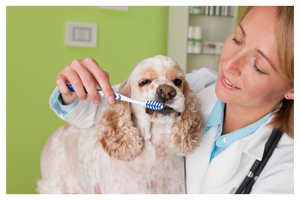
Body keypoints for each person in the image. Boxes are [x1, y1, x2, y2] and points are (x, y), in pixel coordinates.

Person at [50, 4, 295, 195]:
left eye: (258, 66)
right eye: (237, 40)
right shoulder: (194, 86)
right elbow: (100, 108)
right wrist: (74, 90)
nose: (229, 65)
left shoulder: (288, 170)